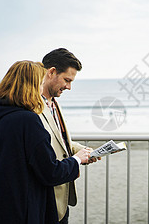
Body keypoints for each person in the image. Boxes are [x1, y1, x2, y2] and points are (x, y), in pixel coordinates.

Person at [0, 60, 91, 224]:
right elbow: (50, 172)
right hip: (21, 213)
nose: (41, 90)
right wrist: (77, 159)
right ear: (31, 86)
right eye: (41, 84)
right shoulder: (28, 120)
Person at [40, 48, 98, 224]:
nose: (69, 87)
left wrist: (82, 151)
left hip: (62, 199)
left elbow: (58, 140)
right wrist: (76, 160)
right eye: (66, 80)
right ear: (51, 72)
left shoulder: (55, 104)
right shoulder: (32, 108)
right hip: (45, 196)